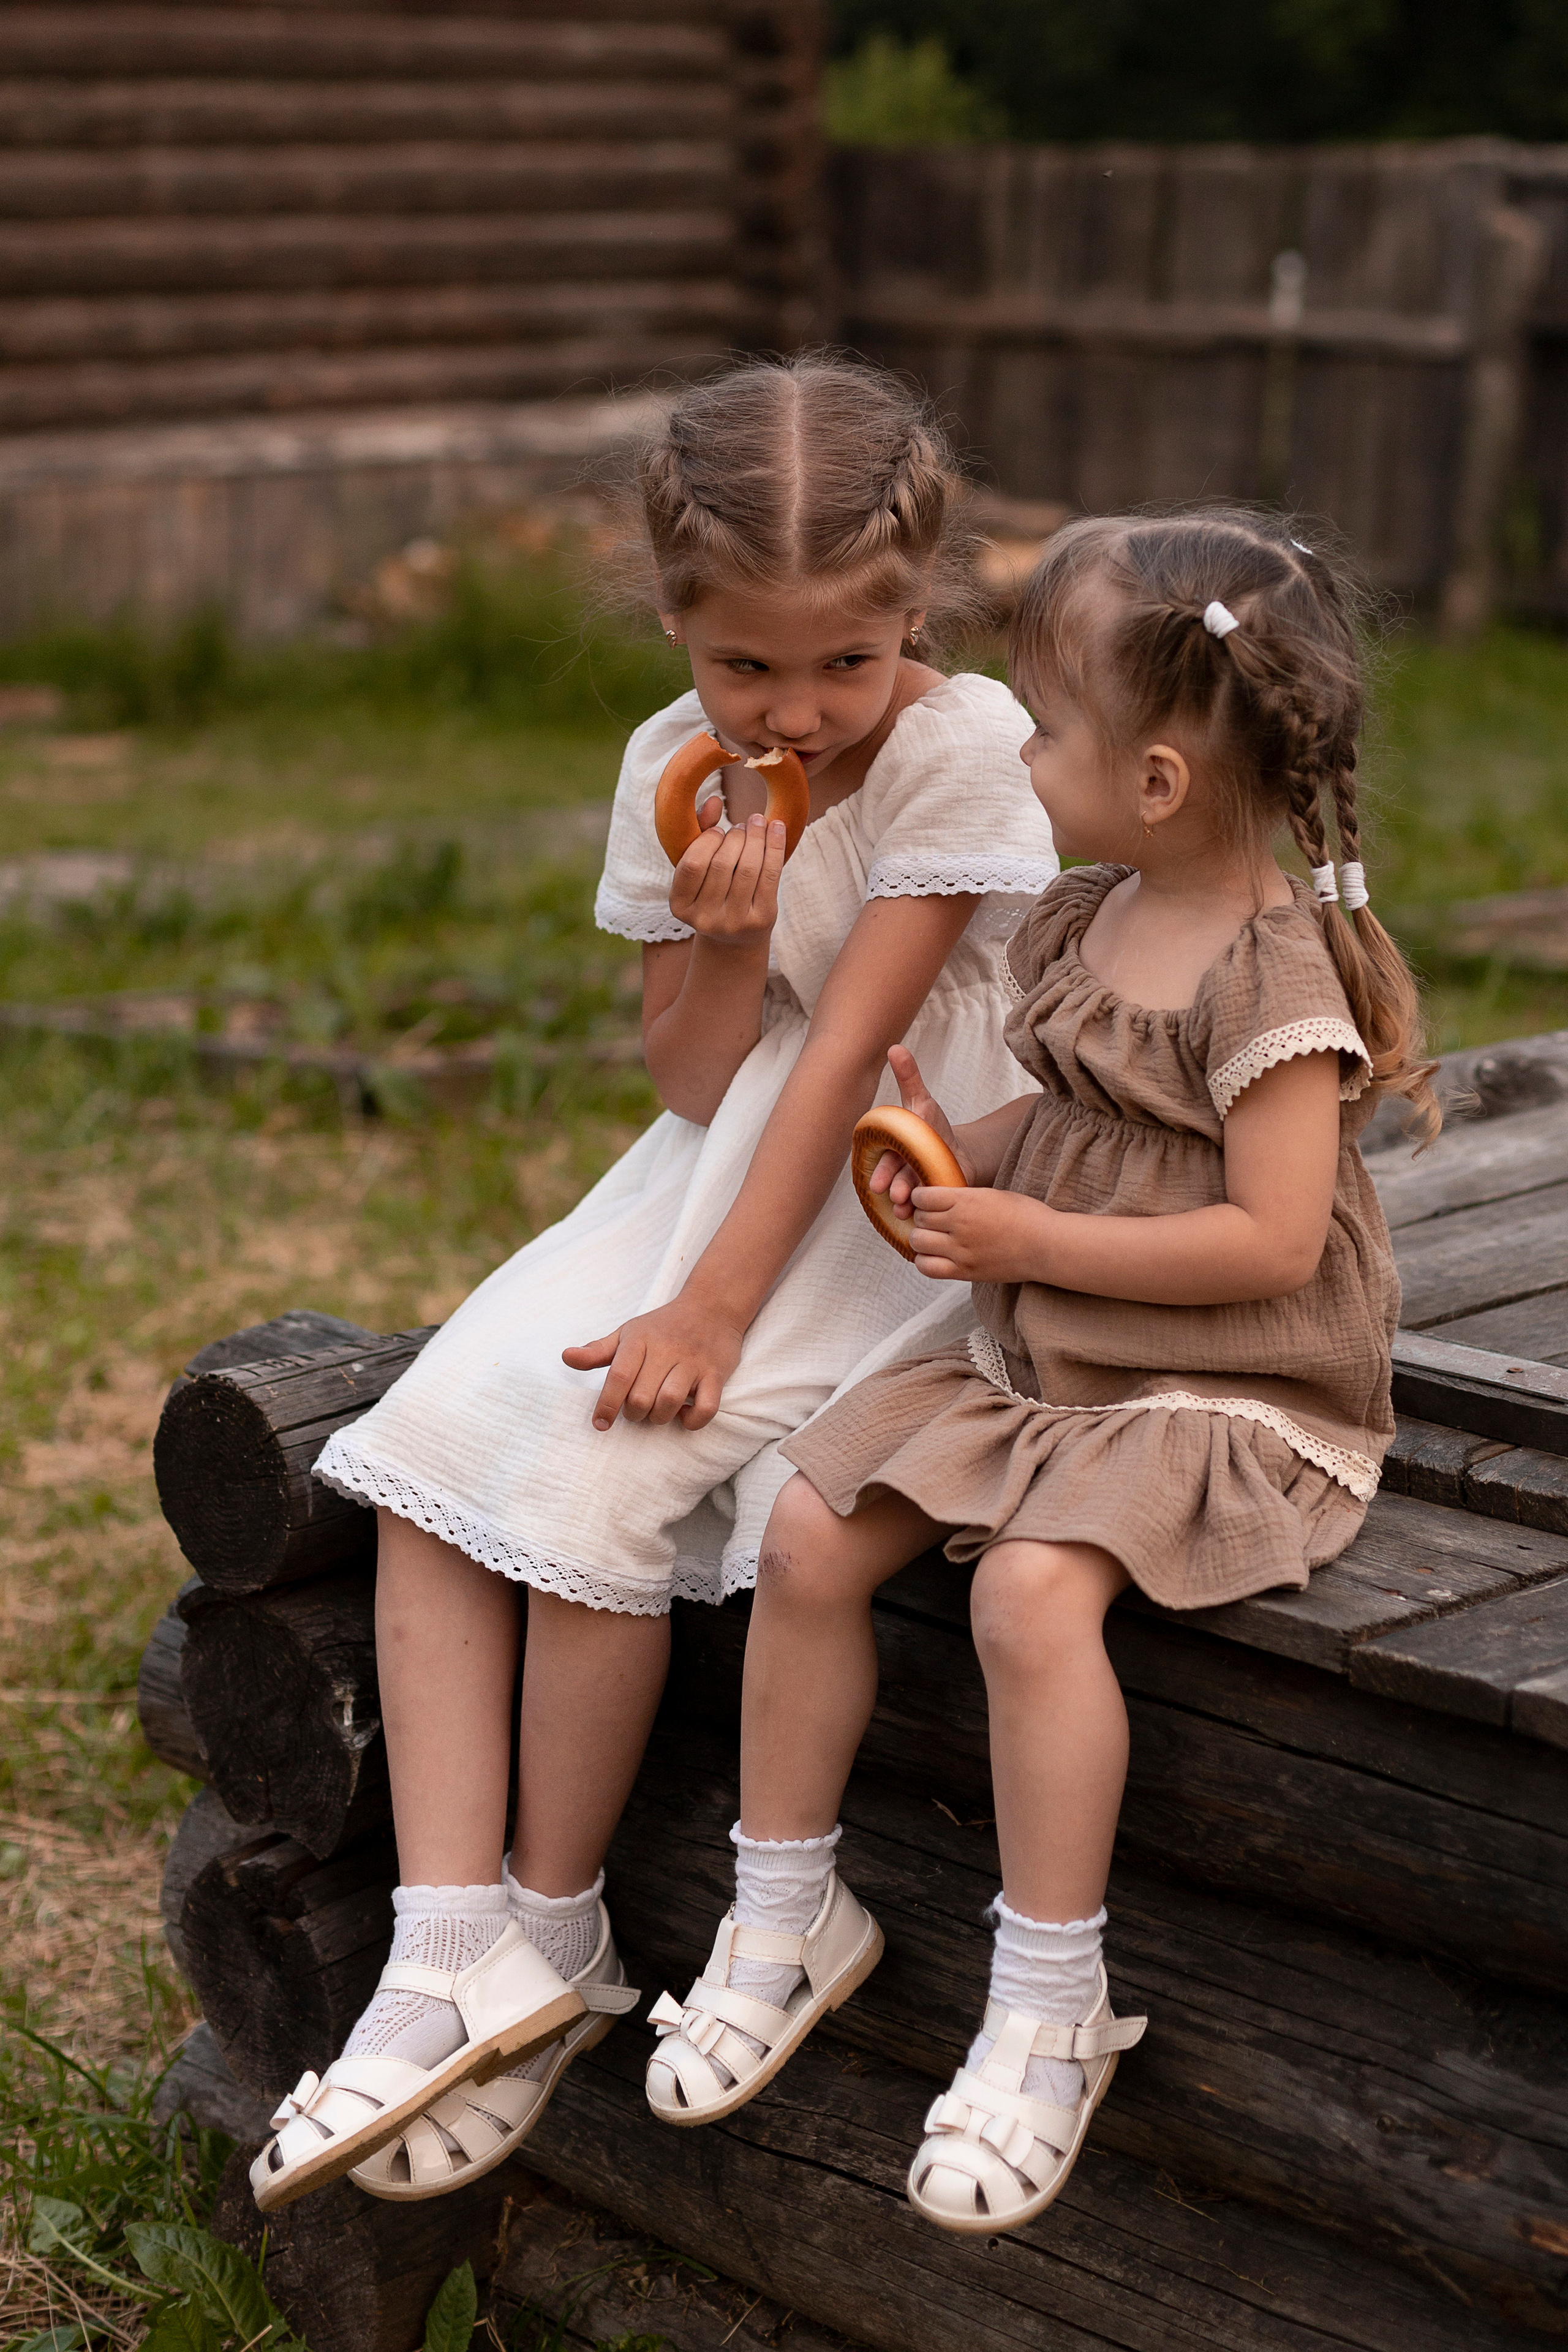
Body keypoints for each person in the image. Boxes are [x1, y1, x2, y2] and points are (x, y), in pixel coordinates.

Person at [248, 354, 1058, 2209]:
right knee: (437, 1433)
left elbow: (857, 1054)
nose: (797, 709)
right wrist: (727, 930)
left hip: (908, 1166)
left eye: (842, 663)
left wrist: (707, 1314)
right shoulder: (664, 767)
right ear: (677, 621)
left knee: (611, 1460)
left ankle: (560, 1919)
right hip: (729, 1154)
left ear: (912, 611)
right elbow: (700, 1076)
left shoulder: (962, 746)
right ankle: (450, 1947)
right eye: (744, 667)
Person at [643, 507, 1438, 2239]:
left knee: (1025, 1601)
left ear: (1157, 780)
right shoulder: (1092, 914)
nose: (1016, 750)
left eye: (1045, 729)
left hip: (1231, 1392)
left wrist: (1030, 1242)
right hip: (1059, 1358)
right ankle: (783, 1913)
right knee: (805, 1523)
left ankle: (1052, 1996)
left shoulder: (1265, 967)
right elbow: (1069, 1117)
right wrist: (956, 1144)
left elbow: (1271, 1245)